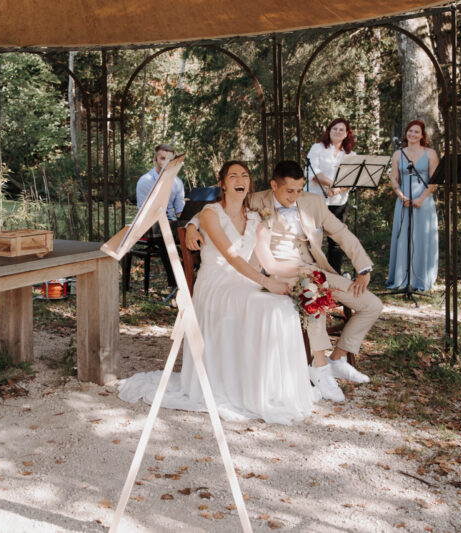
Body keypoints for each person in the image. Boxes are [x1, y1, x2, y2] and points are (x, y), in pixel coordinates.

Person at [119, 161, 319, 424]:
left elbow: (269, 263)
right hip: (216, 284)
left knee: (284, 306)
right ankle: (245, 391)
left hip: (245, 283)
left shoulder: (256, 218)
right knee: (270, 304)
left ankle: (270, 389)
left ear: (249, 183)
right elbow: (233, 257)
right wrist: (267, 283)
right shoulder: (211, 214)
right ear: (223, 183)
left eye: (245, 175)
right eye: (233, 175)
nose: (240, 179)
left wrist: (306, 271)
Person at [185, 161, 383, 403]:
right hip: (278, 270)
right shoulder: (257, 200)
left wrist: (363, 267)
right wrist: (192, 225)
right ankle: (319, 368)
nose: (295, 196)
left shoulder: (313, 202)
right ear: (274, 185)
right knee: (312, 293)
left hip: (312, 267)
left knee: (371, 305)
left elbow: (341, 232)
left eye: (299, 190)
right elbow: (214, 209)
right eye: (289, 191)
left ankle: (337, 359)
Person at [387, 119, 439, 291]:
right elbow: (394, 179)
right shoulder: (398, 154)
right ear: (406, 133)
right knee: (403, 238)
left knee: (422, 239)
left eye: (416, 132)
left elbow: (434, 180)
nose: (413, 134)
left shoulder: (430, 153)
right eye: (410, 131)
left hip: (423, 202)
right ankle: (401, 279)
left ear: (422, 135)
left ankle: (421, 280)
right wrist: (401, 197)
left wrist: (421, 198)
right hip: (404, 202)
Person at [306, 118, 356, 273]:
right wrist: (332, 185)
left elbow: (353, 179)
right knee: (314, 239)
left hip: (339, 201)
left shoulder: (350, 154)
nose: (337, 132)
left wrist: (337, 189)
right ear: (329, 130)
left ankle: (335, 275)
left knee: (336, 241)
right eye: (335, 129)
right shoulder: (317, 148)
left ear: (347, 133)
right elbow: (312, 172)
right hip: (316, 199)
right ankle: (312, 275)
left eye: (342, 130)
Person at [134, 144, 185, 288]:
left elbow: (180, 211)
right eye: (162, 158)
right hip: (149, 224)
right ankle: (174, 284)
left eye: (170, 159)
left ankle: (192, 272)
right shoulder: (146, 181)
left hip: (170, 223)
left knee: (197, 229)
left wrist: (189, 222)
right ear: (154, 160)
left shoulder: (177, 182)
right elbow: (148, 213)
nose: (166, 162)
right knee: (163, 231)